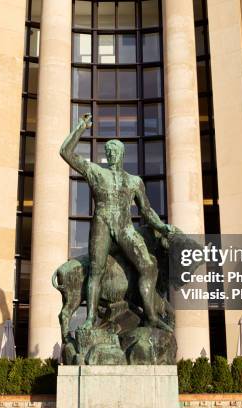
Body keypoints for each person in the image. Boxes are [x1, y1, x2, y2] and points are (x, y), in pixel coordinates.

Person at [60, 113, 174, 332]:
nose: (111, 153)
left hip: (125, 228)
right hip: (101, 224)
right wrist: (81, 128)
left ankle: (150, 316)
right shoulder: (96, 172)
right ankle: (91, 318)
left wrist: (161, 227)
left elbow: (147, 211)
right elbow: (65, 152)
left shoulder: (134, 181)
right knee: (96, 271)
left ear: (122, 154)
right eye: (108, 151)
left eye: (115, 151)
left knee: (148, 267)